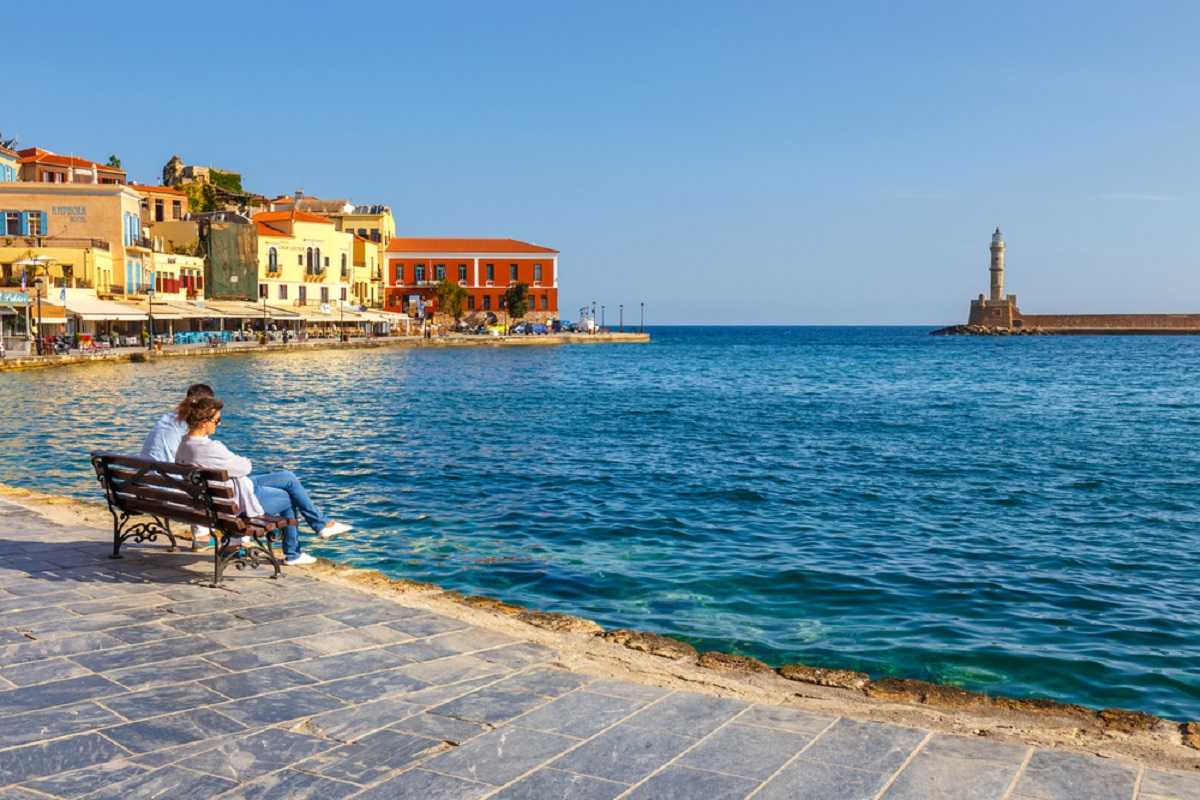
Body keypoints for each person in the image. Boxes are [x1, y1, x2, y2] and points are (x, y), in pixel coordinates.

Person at [174, 397, 349, 567]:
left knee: (288, 477)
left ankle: (321, 524)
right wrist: (242, 461)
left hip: (221, 497)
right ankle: (294, 553)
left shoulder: (184, 445)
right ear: (204, 422)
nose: (219, 424)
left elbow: (234, 469)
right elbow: (245, 467)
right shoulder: (209, 448)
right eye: (217, 420)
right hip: (235, 501)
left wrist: (237, 463)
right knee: (289, 496)